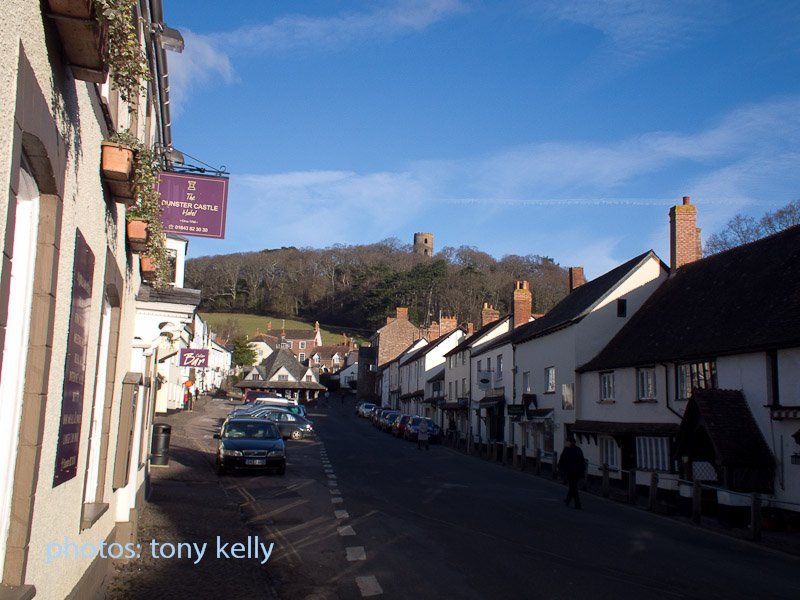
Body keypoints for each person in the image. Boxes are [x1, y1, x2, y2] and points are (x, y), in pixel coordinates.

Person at [558, 435, 586, 509]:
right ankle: (568, 500)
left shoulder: (567, 450)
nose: (565, 443)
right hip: (577, 472)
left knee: (573, 487)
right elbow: (582, 461)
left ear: (570, 442)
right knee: (572, 486)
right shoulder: (578, 449)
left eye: (566, 441)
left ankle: (578, 504)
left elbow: (562, 460)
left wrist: (560, 469)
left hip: (571, 472)